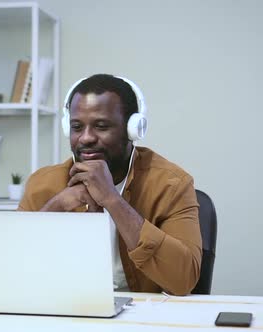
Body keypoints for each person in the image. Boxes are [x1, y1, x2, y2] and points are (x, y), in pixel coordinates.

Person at [18, 74, 201, 295]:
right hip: (67, 309)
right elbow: (11, 270)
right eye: (77, 127)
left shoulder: (172, 185)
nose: (85, 138)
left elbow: (183, 280)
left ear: (132, 129)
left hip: (142, 315)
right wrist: (55, 207)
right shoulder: (42, 184)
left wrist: (112, 200)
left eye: (101, 126)